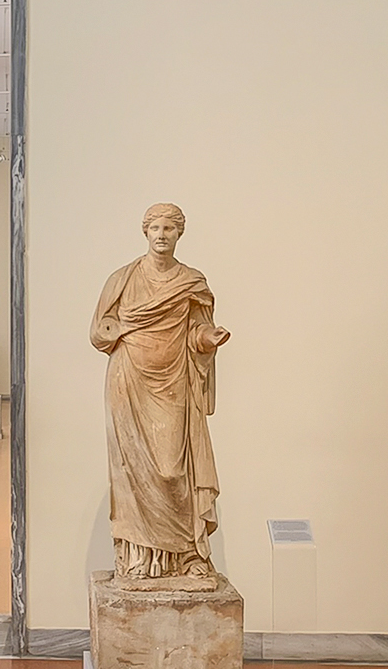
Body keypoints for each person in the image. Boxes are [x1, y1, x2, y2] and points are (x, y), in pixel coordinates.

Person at [89, 203, 231, 588]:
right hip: (129, 383)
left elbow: (199, 330)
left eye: (170, 227)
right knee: (132, 472)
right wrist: (119, 329)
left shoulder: (191, 281)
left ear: (180, 234)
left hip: (173, 383)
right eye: (156, 227)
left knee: (174, 469)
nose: (162, 234)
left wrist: (207, 339)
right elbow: (99, 332)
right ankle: (139, 561)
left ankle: (187, 555)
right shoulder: (122, 279)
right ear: (145, 232)